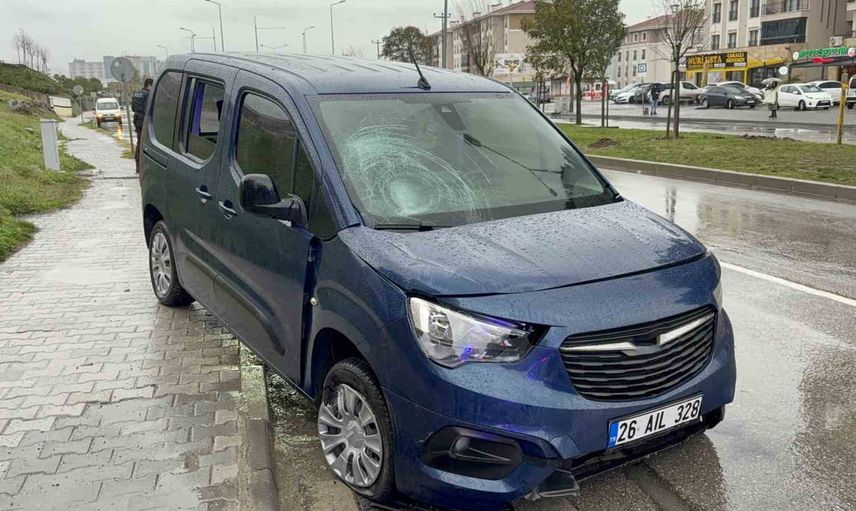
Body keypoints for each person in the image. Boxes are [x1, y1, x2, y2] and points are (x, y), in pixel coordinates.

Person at [132, 78, 154, 172]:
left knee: (139, 142)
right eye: (153, 86)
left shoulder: (137, 93)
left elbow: (133, 108)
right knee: (145, 143)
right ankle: (143, 165)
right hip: (144, 120)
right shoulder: (148, 94)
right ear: (149, 85)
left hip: (137, 120)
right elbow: (147, 109)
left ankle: (138, 164)